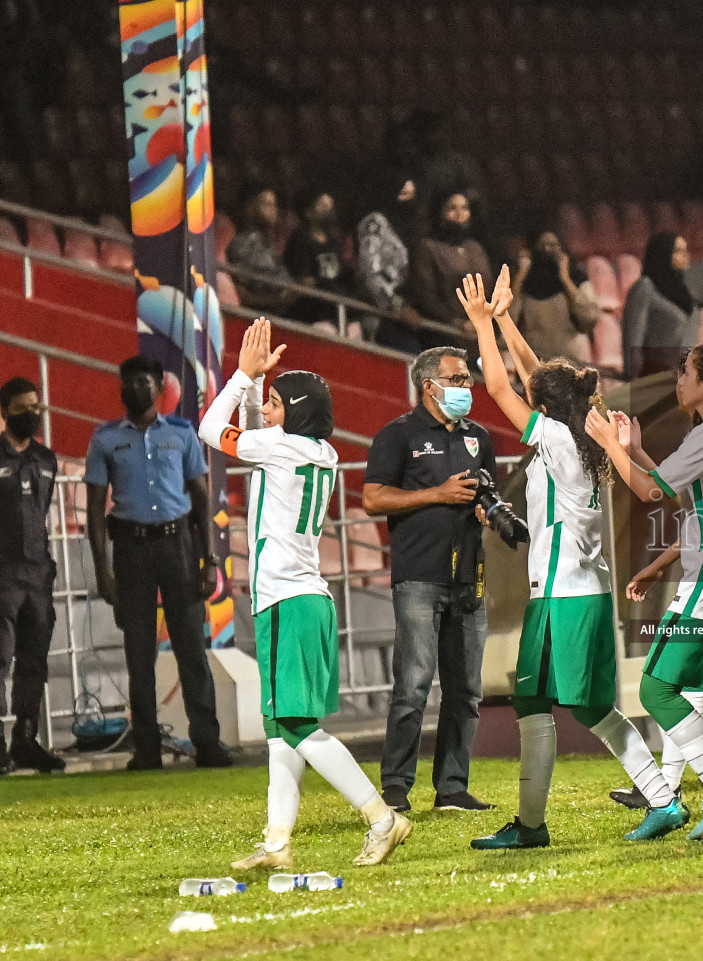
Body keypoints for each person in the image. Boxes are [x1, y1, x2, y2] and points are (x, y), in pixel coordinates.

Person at [446, 271, 676, 849]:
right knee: (594, 706)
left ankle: (533, 826)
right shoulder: (578, 429)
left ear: (542, 407)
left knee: (538, 701)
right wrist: (504, 321)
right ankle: (659, 800)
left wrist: (480, 326)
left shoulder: (553, 436)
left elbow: (503, 389)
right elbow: (533, 378)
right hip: (586, 589)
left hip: (562, 593)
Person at [200, 319, 411, 869]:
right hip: (309, 597)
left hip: (286, 600)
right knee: (281, 731)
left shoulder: (278, 445)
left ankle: (381, 817)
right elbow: (260, 437)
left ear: (290, 412)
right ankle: (276, 843)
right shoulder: (319, 451)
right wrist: (257, 388)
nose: (265, 409)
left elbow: (210, 429)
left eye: (273, 402)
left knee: (295, 725)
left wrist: (242, 378)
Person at [584, 341, 703, 842]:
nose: (677, 381)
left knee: (655, 689)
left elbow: (650, 493)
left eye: (684, 373)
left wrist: (609, 446)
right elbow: (690, 491)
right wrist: (636, 450)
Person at [363, 345, 499, 813]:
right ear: (429, 386)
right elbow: (374, 499)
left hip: (469, 577)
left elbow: (488, 494)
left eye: (467, 379)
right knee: (413, 685)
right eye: (458, 379)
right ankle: (396, 788)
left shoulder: (479, 436)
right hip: (419, 576)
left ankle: (452, 788)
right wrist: (437, 494)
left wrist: (488, 512)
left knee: (466, 690)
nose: (468, 387)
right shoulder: (396, 436)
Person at [85, 355, 228, 771]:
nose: (137, 389)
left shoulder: (182, 433)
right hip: (130, 551)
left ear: (160, 387)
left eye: (145, 382)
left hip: (179, 546)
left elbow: (201, 500)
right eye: (129, 382)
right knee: (139, 652)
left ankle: (208, 743)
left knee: (191, 649)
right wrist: (102, 569)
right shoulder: (105, 438)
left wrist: (209, 560)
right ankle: (145, 748)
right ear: (121, 388)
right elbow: (95, 510)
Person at [0, 377, 64, 773]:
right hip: (2, 574)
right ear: (5, 412)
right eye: (23, 408)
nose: (32, 416)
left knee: (33, 661)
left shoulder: (46, 459)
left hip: (38, 575)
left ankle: (25, 738)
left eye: (36, 408)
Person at [505, 229, 601, 363]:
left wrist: (565, 279)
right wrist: (520, 277)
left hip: (571, 359)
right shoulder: (525, 282)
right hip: (536, 360)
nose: (546, 249)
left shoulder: (577, 278)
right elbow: (509, 321)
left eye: (552, 245)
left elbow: (590, 317)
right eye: (542, 245)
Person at [357, 167, 424, 354]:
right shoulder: (375, 223)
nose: (408, 201)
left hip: (411, 312)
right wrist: (397, 307)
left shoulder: (413, 227)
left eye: (411, 195)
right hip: (379, 312)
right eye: (402, 194)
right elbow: (370, 272)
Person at [408, 190, 491, 332]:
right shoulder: (429, 248)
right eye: (452, 208)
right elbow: (426, 295)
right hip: (445, 330)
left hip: (479, 329)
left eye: (464, 208)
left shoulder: (475, 248)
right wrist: (454, 321)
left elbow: (488, 286)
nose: (459, 213)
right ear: (441, 212)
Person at [622, 232, 701, 379]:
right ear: (663, 254)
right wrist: (635, 385)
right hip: (656, 381)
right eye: (678, 251)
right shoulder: (645, 288)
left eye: (685, 250)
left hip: (686, 382)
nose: (685, 255)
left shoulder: (684, 294)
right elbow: (633, 343)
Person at [283, 187, 351, 328]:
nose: (329, 210)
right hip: (311, 314)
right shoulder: (300, 239)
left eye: (330, 205)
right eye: (323, 206)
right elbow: (303, 281)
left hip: (334, 311)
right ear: (308, 213)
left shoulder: (332, 242)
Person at [226, 187, 293, 312]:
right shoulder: (244, 243)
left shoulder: (270, 244)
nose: (273, 209)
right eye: (266, 204)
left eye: (274, 205)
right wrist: (280, 299)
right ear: (250, 208)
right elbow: (247, 289)